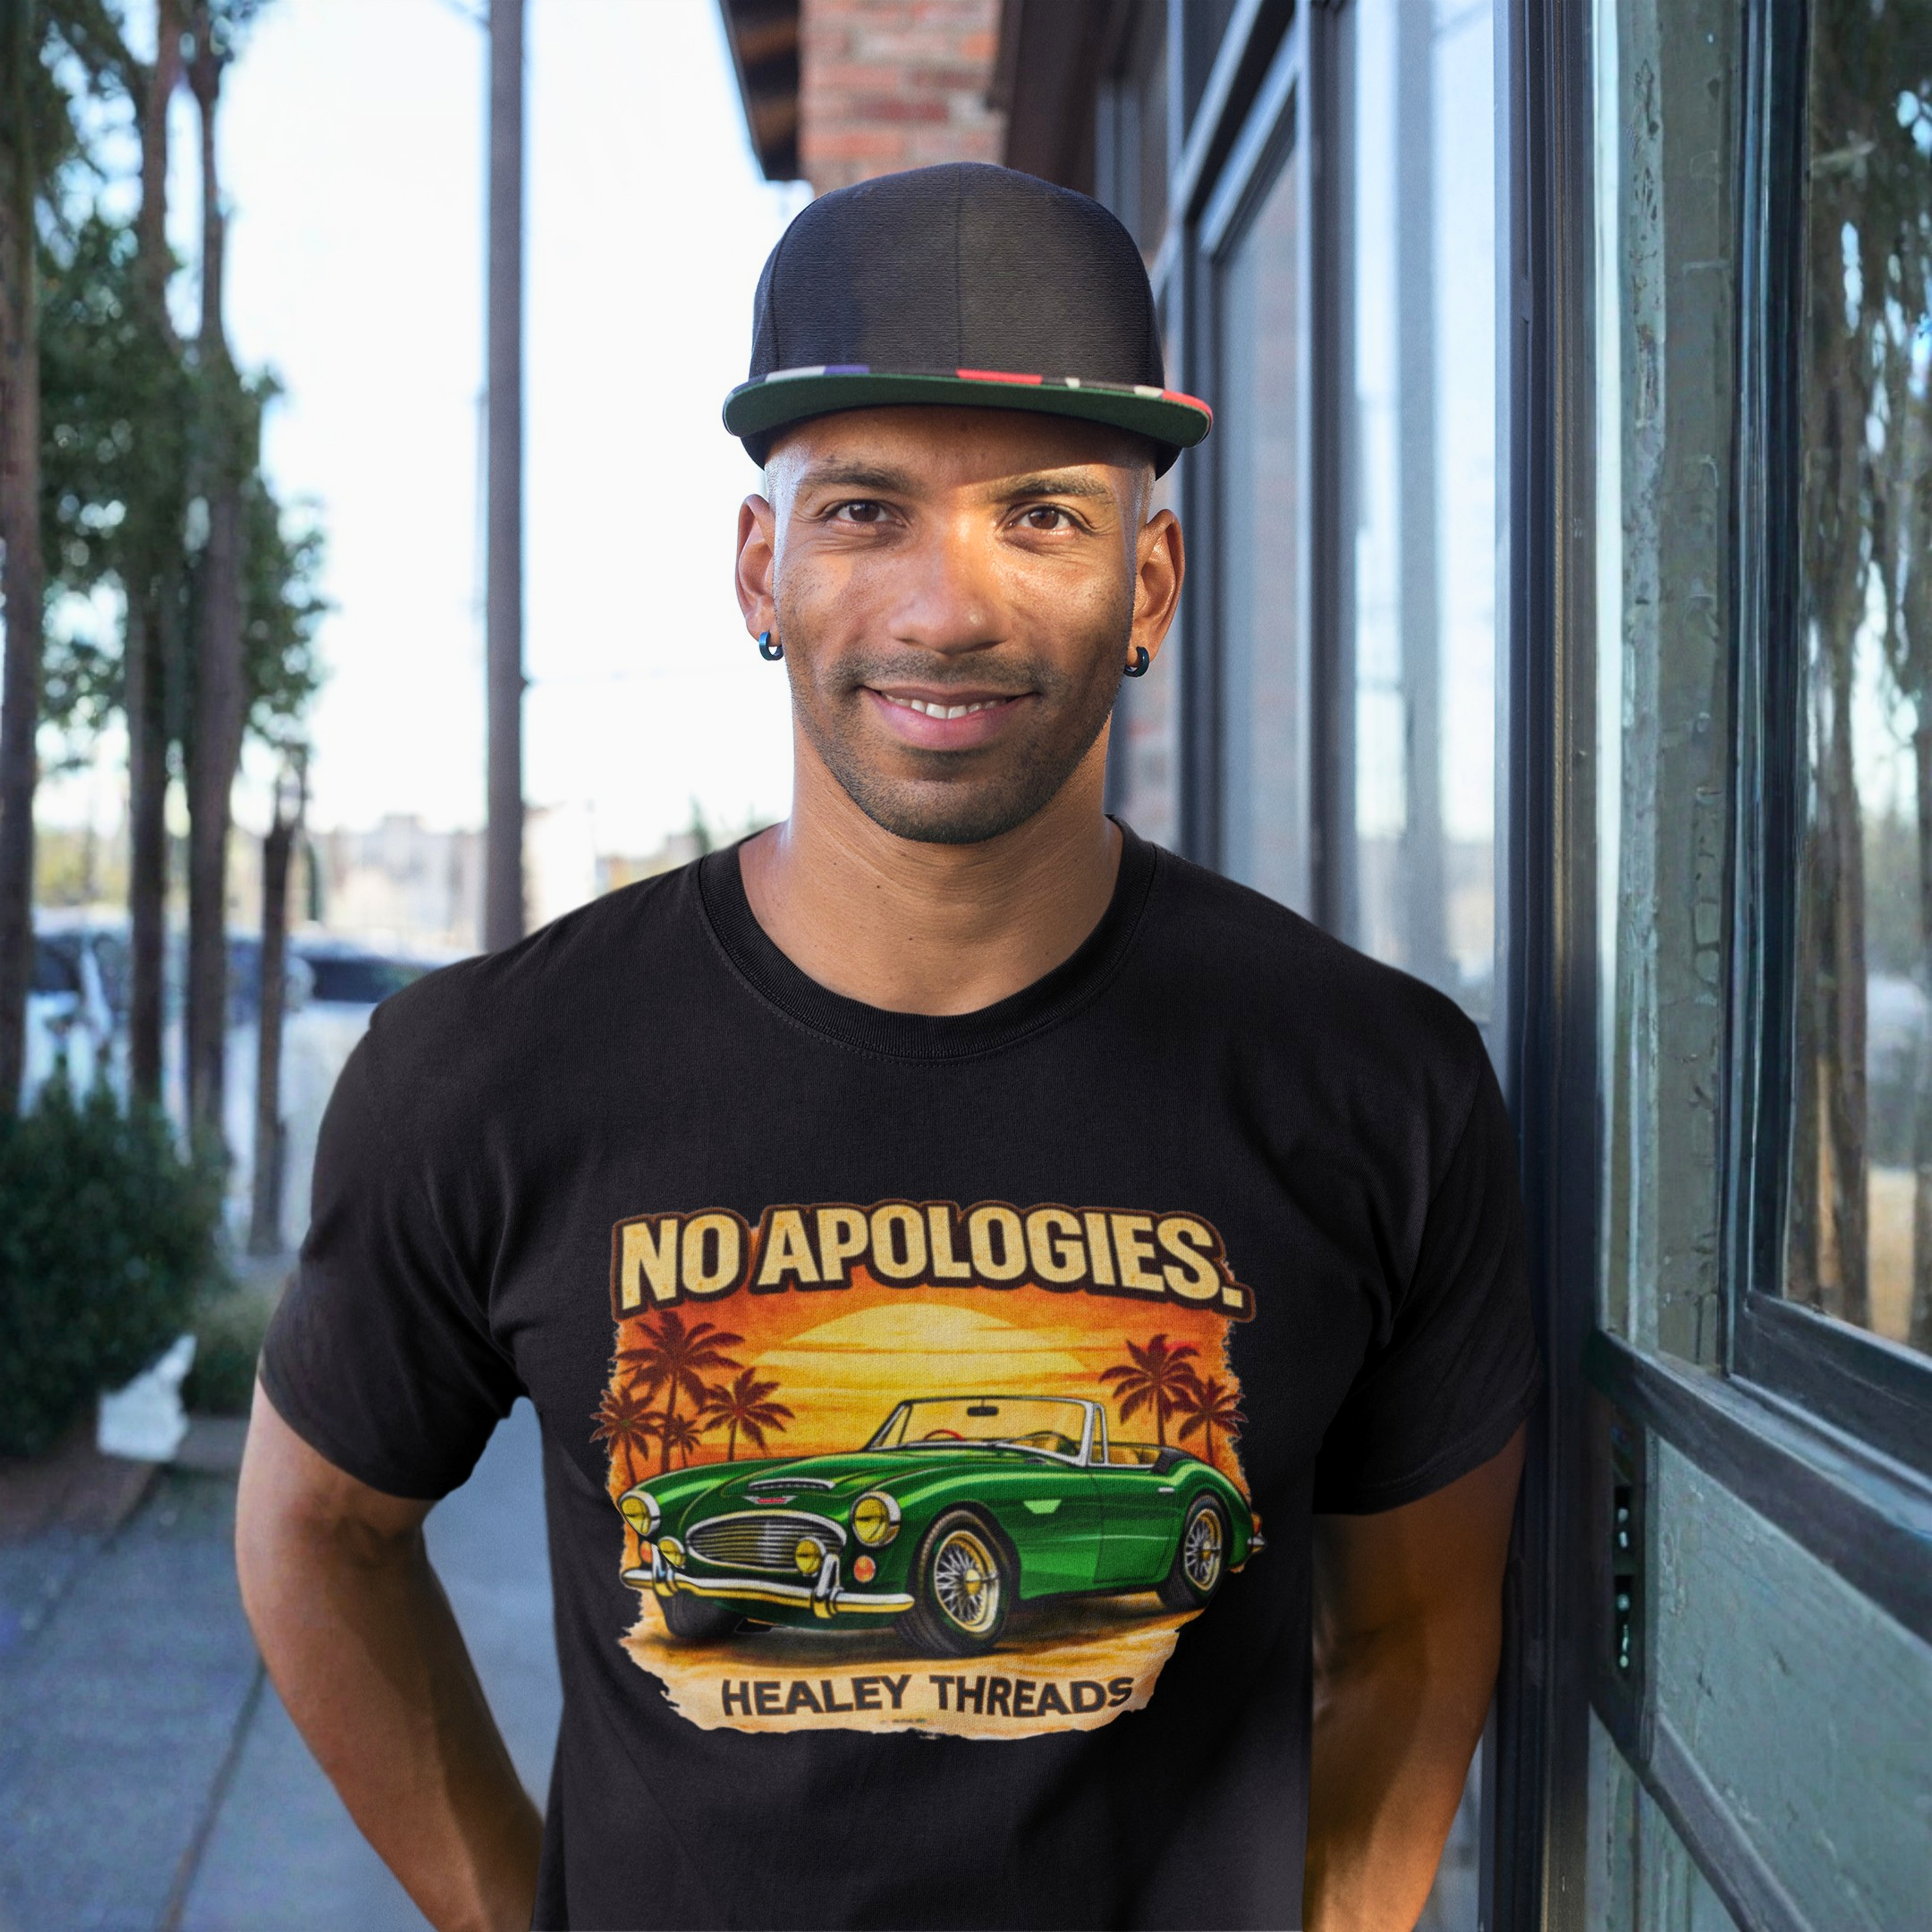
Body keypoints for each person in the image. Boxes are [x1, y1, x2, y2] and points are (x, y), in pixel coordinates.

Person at [237, 162, 1538, 1932]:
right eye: (864, 511)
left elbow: (1411, 1633)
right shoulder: (489, 1069)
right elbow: (318, 1531)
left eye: (1045, 517)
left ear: (1147, 581)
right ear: (762, 565)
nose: (949, 609)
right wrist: (515, 1913)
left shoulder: (1373, 1086)